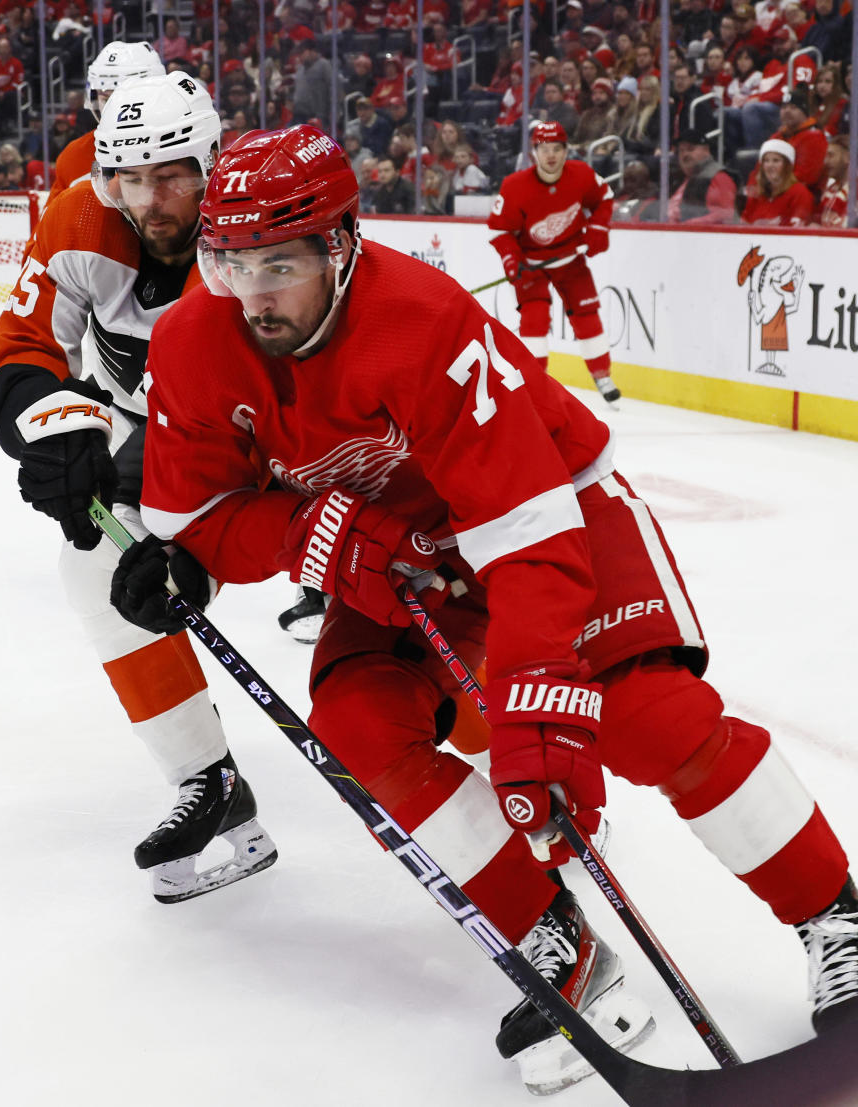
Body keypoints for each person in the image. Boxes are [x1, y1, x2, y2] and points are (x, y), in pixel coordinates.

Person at [110, 123, 858, 1097]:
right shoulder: (196, 338)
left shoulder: (422, 320)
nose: (251, 297)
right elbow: (200, 519)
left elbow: (530, 532)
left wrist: (538, 693)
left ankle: (834, 917)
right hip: (403, 550)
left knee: (640, 719)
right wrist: (307, 538)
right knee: (356, 718)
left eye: (279, 265)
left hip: (552, 512)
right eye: (227, 262)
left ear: (340, 245)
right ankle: (555, 939)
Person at [0, 73, 277, 904]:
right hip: (146, 418)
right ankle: (209, 779)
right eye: (129, 177)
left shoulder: (245, 234)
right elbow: (23, 340)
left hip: (268, 432)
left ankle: (499, 755)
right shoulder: (81, 211)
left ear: (212, 163)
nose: (150, 199)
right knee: (96, 573)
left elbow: (217, 403)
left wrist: (126, 474)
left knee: (380, 597)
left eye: (173, 174)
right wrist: (50, 426)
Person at [487, 120, 621, 407]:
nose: (551, 155)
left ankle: (602, 375)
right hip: (531, 263)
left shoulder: (582, 175)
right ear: (535, 151)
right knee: (534, 320)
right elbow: (500, 231)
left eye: (557, 149)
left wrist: (598, 229)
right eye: (544, 148)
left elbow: (604, 198)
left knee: (587, 315)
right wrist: (512, 260)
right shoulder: (514, 186)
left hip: (570, 260)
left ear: (566, 150)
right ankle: (535, 384)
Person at [46, 40, 166, 203]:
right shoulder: (74, 156)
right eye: (106, 98)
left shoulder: (183, 146)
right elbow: (52, 226)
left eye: (124, 98)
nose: (114, 109)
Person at [667, 127, 737, 224]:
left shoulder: (718, 177)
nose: (684, 154)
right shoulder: (680, 180)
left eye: (690, 149)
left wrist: (692, 225)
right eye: (681, 151)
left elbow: (728, 214)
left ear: (706, 150)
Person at [741, 138, 814, 225]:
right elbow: (744, 223)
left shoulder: (800, 193)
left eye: (776, 160)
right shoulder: (758, 193)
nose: (770, 165)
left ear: (787, 166)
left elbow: (798, 230)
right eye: (766, 160)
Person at [815, 134, 849, 227]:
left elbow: (848, 228)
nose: (825, 161)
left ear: (848, 157)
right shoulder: (831, 189)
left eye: (831, 156)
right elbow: (817, 220)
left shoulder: (855, 192)